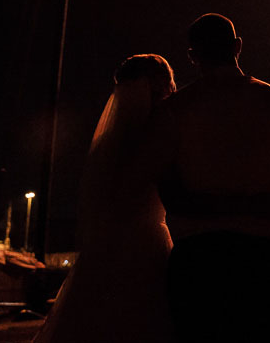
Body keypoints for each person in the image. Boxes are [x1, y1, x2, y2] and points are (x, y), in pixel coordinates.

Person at [145, 14, 270, 343]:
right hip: (262, 260)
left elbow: (163, 184)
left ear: (193, 56)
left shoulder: (173, 111)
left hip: (197, 263)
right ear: (238, 47)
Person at [34, 54, 177, 343]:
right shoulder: (158, 135)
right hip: (148, 243)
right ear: (161, 86)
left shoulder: (109, 139)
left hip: (107, 246)